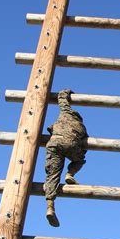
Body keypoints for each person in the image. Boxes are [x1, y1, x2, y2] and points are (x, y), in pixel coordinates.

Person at [44, 89, 88, 227]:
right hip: (71, 146)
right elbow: (84, 147)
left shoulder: (65, 112)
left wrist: (67, 92)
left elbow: (61, 98)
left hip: (55, 143)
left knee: (52, 175)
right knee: (80, 159)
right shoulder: (82, 127)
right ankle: (70, 173)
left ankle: (50, 206)